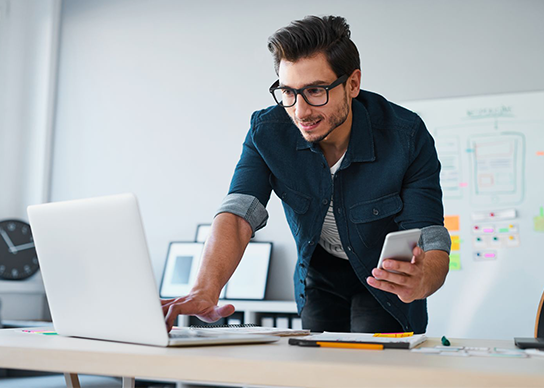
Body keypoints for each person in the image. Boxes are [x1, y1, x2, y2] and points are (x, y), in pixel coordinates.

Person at [161, 15, 451, 334]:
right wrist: (204, 288)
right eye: (288, 92)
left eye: (315, 91)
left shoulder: (405, 136)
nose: (300, 111)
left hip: (383, 279)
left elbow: (429, 233)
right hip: (320, 276)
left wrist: (427, 278)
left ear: (352, 84)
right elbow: (238, 213)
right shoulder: (267, 132)